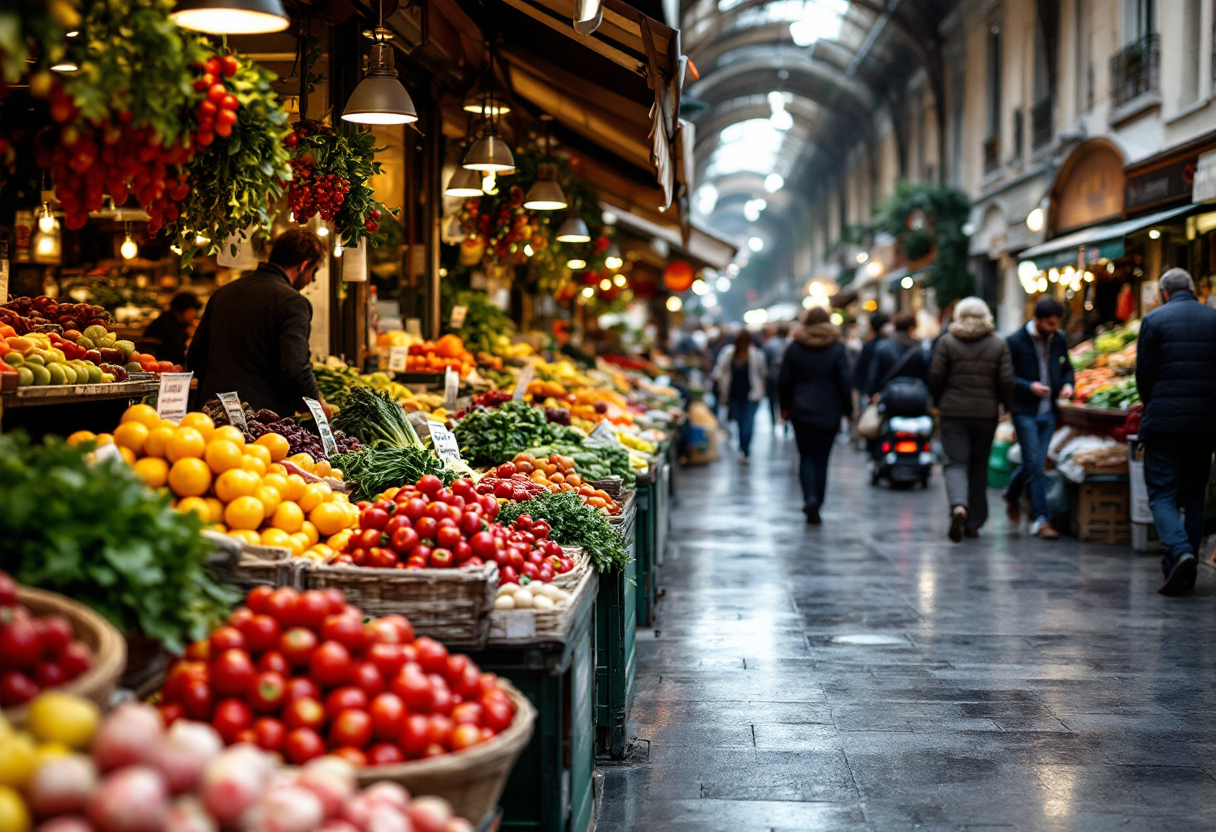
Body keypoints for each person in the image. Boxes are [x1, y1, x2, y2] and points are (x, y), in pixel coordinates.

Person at [1133, 268, 1216, 595]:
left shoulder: (1154, 321)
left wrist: (1151, 402)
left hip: (1164, 423)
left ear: (1164, 292)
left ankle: (1179, 552)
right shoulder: (1214, 319)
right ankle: (1186, 570)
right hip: (1205, 422)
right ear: (1192, 289)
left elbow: (1144, 374)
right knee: (1194, 495)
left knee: (1162, 492)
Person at [188, 229, 331, 418]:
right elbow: (294, 367)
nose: (308, 282)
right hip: (260, 422)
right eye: (312, 273)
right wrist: (315, 404)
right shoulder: (293, 302)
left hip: (210, 416)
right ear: (304, 266)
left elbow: (195, 357)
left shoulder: (223, 293)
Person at [928, 297, 1014, 542]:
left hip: (953, 412)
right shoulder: (998, 344)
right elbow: (1006, 380)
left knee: (955, 463)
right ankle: (974, 522)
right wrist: (1006, 406)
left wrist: (937, 401)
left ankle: (958, 505)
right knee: (978, 466)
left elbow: (935, 375)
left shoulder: (947, 342)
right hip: (985, 414)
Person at [1003, 296, 1074, 539]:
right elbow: (1007, 377)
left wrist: (1067, 385)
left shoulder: (1059, 339)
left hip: (1049, 412)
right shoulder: (1015, 341)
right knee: (1034, 464)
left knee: (1035, 463)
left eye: (1056, 324)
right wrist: (1029, 386)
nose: (1054, 329)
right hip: (1025, 411)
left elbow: (1067, 368)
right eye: (1050, 324)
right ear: (1038, 320)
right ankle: (1042, 519)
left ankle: (1012, 494)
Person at [779, 307, 852, 524]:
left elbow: (784, 381)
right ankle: (818, 501)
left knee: (806, 456)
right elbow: (844, 382)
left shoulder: (795, 348)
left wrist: (784, 407)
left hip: (801, 408)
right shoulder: (837, 348)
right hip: (829, 408)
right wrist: (849, 410)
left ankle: (809, 496)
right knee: (822, 458)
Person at [712, 329, 766, 463]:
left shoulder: (755, 355)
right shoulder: (729, 354)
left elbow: (761, 373)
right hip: (734, 395)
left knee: (746, 422)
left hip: (750, 395)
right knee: (742, 421)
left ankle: (744, 449)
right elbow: (720, 371)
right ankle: (744, 449)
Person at [865, 311, 929, 397]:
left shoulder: (883, 347)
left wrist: (872, 394)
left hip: (888, 397)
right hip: (914, 399)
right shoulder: (920, 349)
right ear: (912, 328)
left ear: (895, 326)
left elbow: (873, 375)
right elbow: (926, 376)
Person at [143, 290, 202, 367]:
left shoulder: (175, 322)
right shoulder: (166, 324)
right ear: (182, 309)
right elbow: (180, 351)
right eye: (192, 310)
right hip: (162, 366)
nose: (194, 314)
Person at [852, 313, 889, 398]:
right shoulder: (890, 345)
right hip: (888, 391)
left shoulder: (869, 346)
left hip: (870, 393)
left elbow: (861, 370)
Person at [762, 323, 790, 432]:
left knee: (772, 401)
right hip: (784, 378)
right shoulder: (790, 344)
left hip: (772, 377)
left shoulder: (769, 344)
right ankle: (785, 421)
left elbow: (765, 363)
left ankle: (773, 420)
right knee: (784, 400)